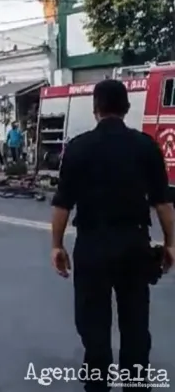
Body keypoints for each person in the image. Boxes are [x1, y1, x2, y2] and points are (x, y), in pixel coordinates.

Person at [50, 79, 175, 392]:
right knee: (135, 326)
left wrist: (56, 245)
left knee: (94, 327)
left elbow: (63, 204)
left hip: (91, 246)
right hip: (134, 244)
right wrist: (171, 244)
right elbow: (163, 203)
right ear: (127, 108)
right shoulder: (146, 146)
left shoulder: (77, 148)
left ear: (95, 109)